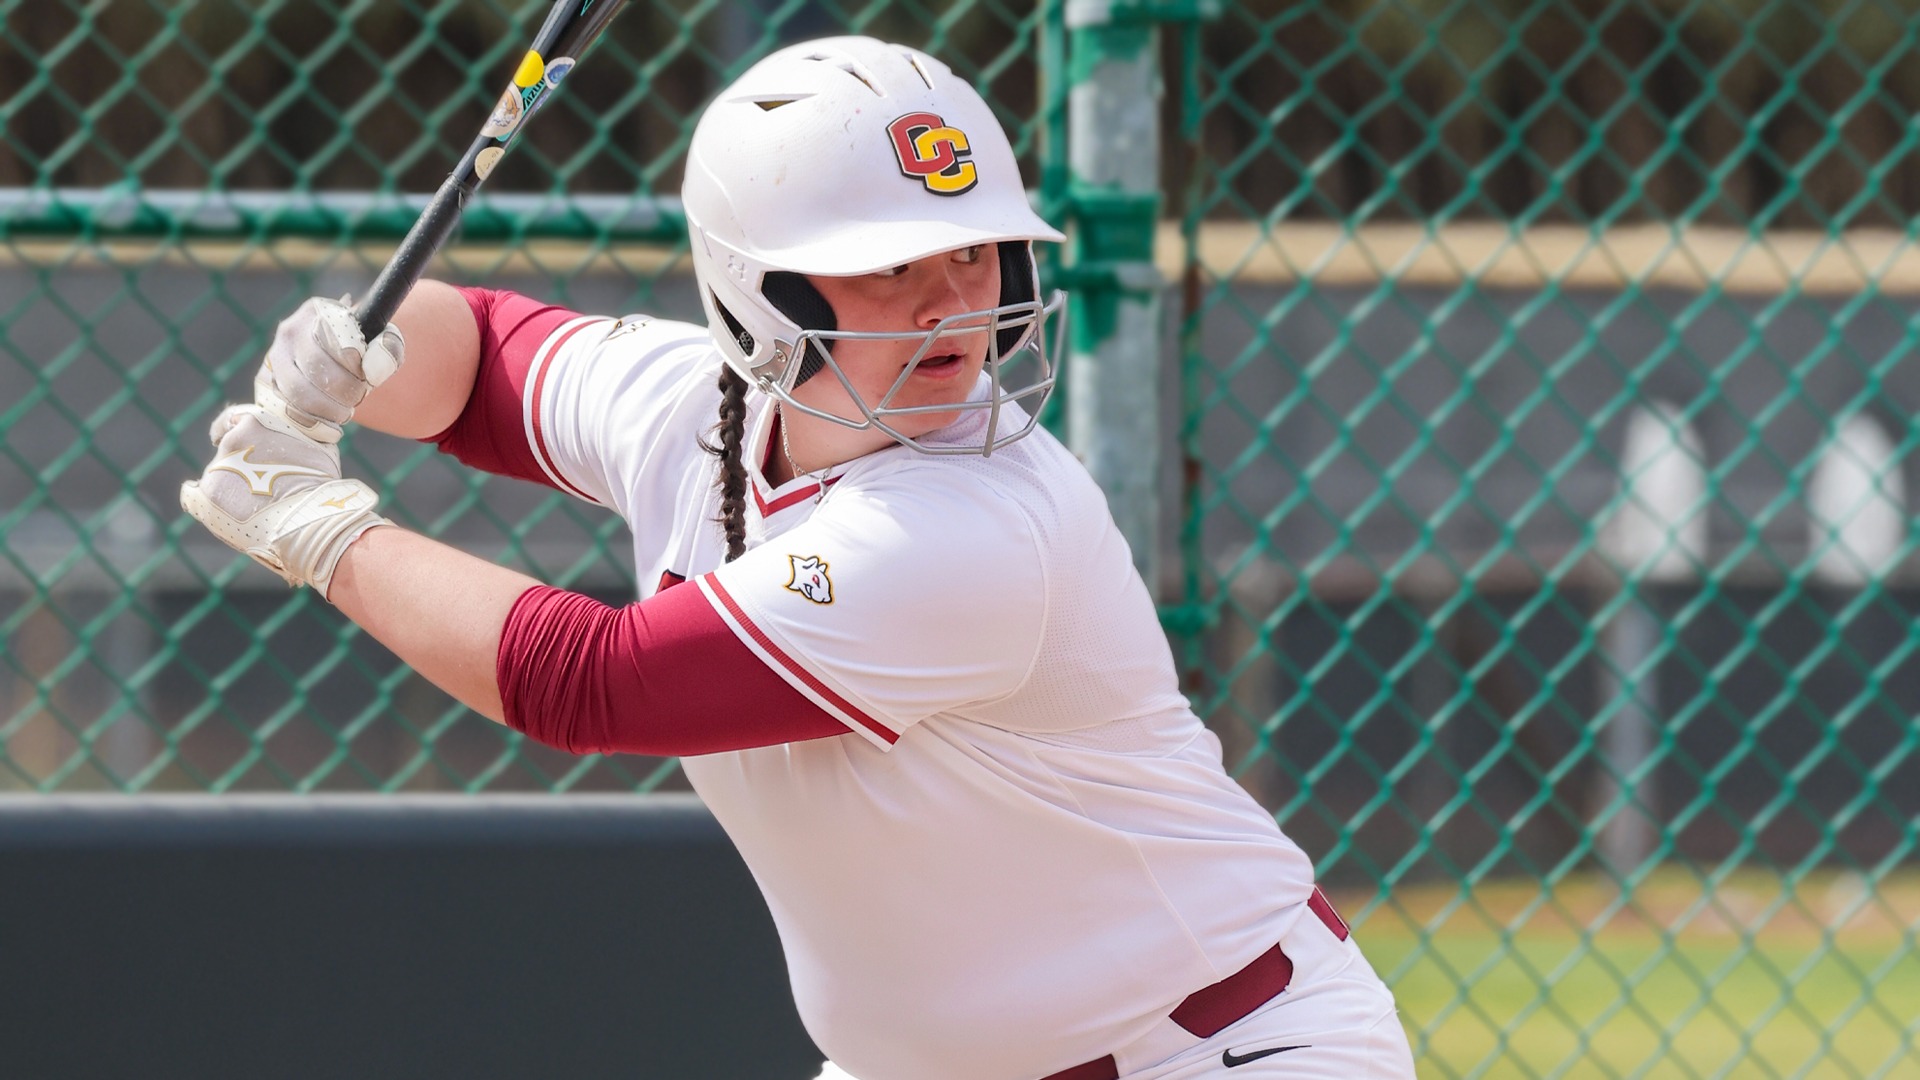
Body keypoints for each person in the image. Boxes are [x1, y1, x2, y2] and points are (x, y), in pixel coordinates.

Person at [181, 36, 1418, 1080]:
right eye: (890, 266)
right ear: (758, 292)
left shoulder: (977, 525)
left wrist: (326, 532)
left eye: (974, 251)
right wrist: (369, 348)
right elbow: (492, 363)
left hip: (1218, 1051)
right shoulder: (696, 405)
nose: (955, 303)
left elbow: (598, 683)